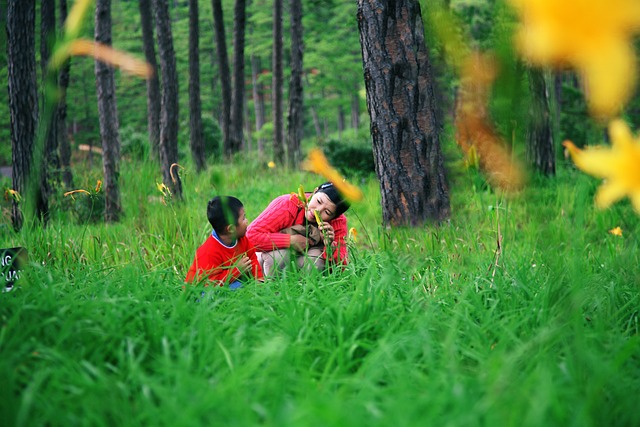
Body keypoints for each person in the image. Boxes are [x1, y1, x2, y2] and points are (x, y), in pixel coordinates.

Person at [246, 182, 350, 276]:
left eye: (327, 212)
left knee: (317, 261)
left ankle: (303, 291)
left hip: (303, 260)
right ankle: (270, 288)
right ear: (315, 191)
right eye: (318, 201)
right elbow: (250, 236)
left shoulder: (337, 222)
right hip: (270, 258)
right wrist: (290, 241)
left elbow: (342, 265)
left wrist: (330, 246)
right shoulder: (288, 204)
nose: (316, 211)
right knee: (279, 257)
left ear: (334, 217)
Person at [185, 196, 264, 288]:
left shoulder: (242, 239)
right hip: (200, 291)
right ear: (231, 229)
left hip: (230, 283)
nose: (246, 221)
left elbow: (252, 260)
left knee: (244, 284)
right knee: (240, 286)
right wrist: (236, 270)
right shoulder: (208, 252)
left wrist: (259, 281)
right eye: (243, 218)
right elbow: (210, 285)